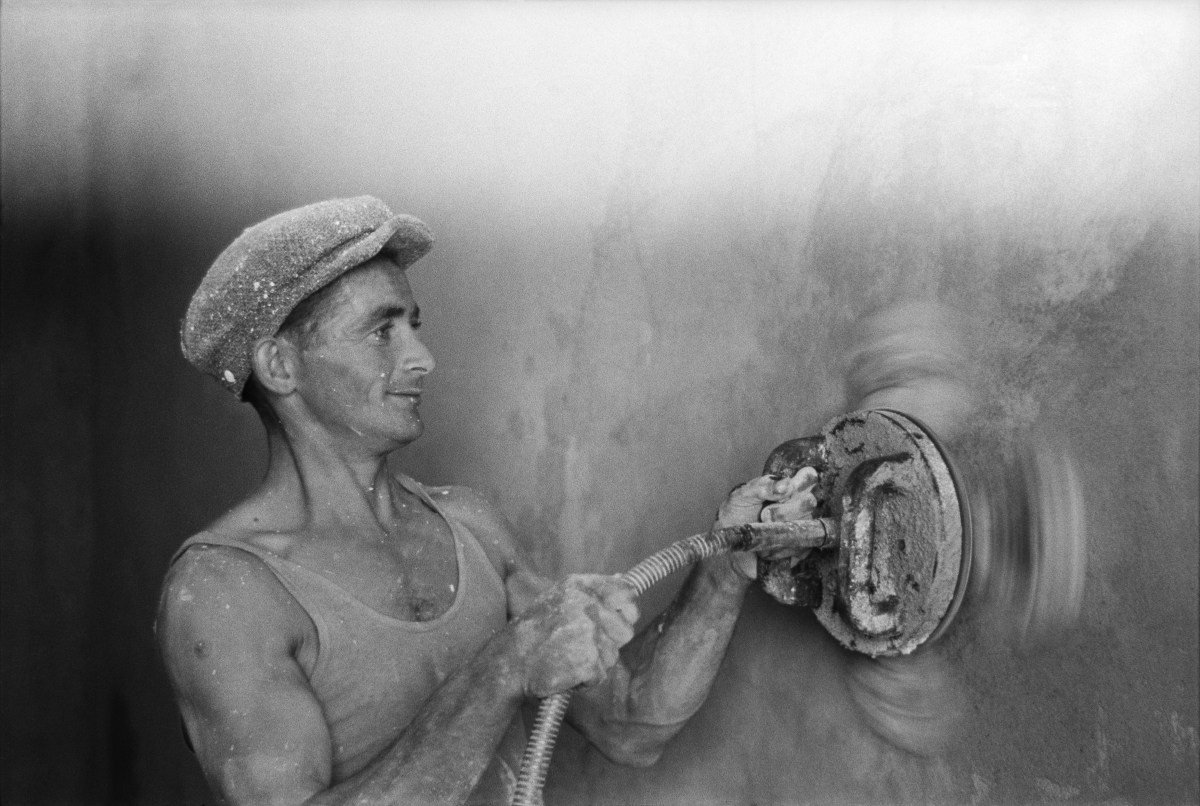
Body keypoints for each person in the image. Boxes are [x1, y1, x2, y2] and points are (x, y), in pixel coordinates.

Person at [157, 196, 816, 806]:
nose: (423, 359)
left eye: (414, 327)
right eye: (381, 333)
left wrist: (724, 572)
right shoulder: (224, 590)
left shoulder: (469, 525)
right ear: (279, 366)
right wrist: (501, 668)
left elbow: (630, 725)